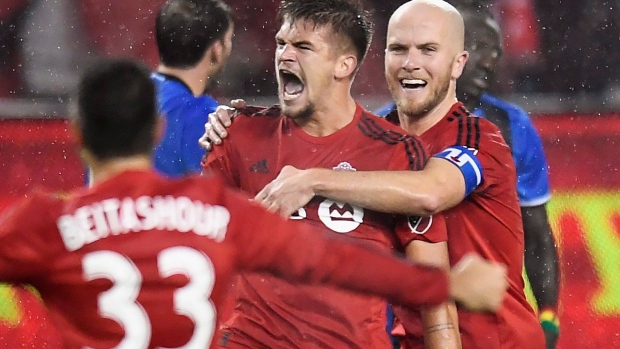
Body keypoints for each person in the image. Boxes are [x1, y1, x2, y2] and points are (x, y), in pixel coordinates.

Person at [0, 58, 508, 349]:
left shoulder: (47, 226)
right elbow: (337, 262)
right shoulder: (217, 213)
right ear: (156, 130)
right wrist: (448, 284)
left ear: (77, 134)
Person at [202, 1, 545, 348]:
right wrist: (235, 123)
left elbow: (431, 192)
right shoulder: (381, 139)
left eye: (428, 50)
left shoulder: (478, 137)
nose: (410, 63)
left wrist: (311, 179)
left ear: (458, 64)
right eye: (398, 49)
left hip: (497, 340)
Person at [375, 2, 561, 348]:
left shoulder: (504, 129)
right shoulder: (376, 134)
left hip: (492, 334)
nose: (490, 60)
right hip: (406, 331)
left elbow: (536, 233)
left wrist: (549, 314)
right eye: (480, 44)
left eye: (496, 50)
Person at [151, 0, 233, 177]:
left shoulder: (123, 97)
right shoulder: (205, 117)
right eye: (229, 39)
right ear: (217, 49)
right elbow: (216, 196)